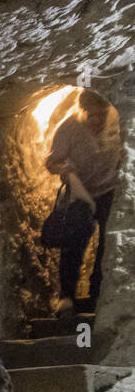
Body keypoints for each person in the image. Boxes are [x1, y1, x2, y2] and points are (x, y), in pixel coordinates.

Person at [45, 88, 124, 317]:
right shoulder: (69, 127)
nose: (97, 120)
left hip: (109, 191)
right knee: (74, 243)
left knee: (106, 245)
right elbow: (52, 162)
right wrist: (65, 169)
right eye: (92, 114)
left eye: (101, 114)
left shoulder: (116, 124)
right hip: (81, 194)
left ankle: (97, 295)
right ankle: (66, 298)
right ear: (83, 111)